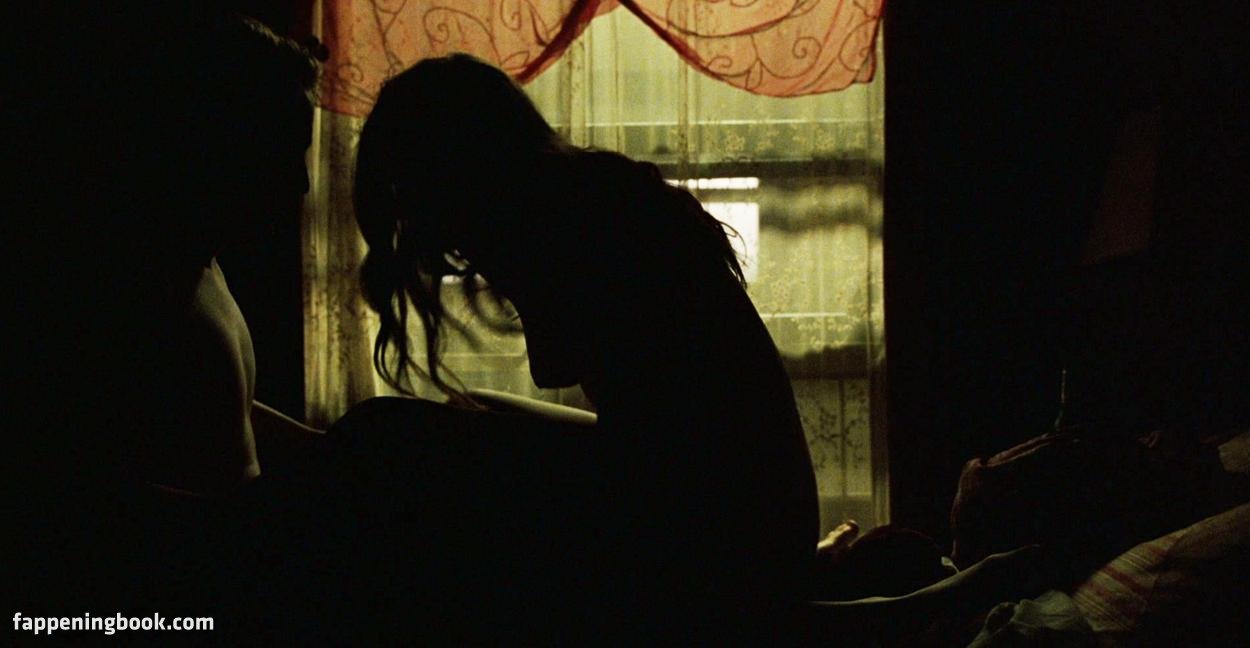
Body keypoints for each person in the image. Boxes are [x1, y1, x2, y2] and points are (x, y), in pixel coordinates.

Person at [345, 53, 820, 641]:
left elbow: (553, 367)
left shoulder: (560, 218)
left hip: (719, 522)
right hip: (757, 506)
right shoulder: (597, 190)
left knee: (384, 431)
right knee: (468, 411)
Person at [7, 7, 323, 621]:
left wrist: (332, 448)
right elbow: (83, 497)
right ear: (221, 142)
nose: (303, 184)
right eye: (282, 153)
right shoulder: (122, 286)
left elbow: (218, 410)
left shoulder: (203, 264)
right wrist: (270, 523)